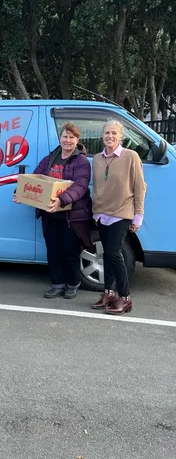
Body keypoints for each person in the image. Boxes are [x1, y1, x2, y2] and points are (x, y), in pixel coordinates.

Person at [20, 122, 92, 299]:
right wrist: (21, 192)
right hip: (49, 213)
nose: (67, 140)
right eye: (65, 136)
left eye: (71, 137)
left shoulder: (81, 161)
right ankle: (57, 284)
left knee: (70, 251)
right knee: (53, 250)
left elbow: (80, 186)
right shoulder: (50, 158)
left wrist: (62, 200)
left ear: (77, 140)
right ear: (60, 138)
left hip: (70, 215)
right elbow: (35, 178)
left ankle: (72, 284)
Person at [91, 120, 146, 315]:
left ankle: (125, 297)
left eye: (114, 133)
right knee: (106, 253)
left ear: (120, 136)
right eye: (107, 133)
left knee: (114, 252)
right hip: (101, 213)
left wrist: (138, 215)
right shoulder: (97, 158)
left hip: (121, 213)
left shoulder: (131, 156)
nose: (110, 136)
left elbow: (140, 187)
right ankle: (109, 293)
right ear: (102, 136)